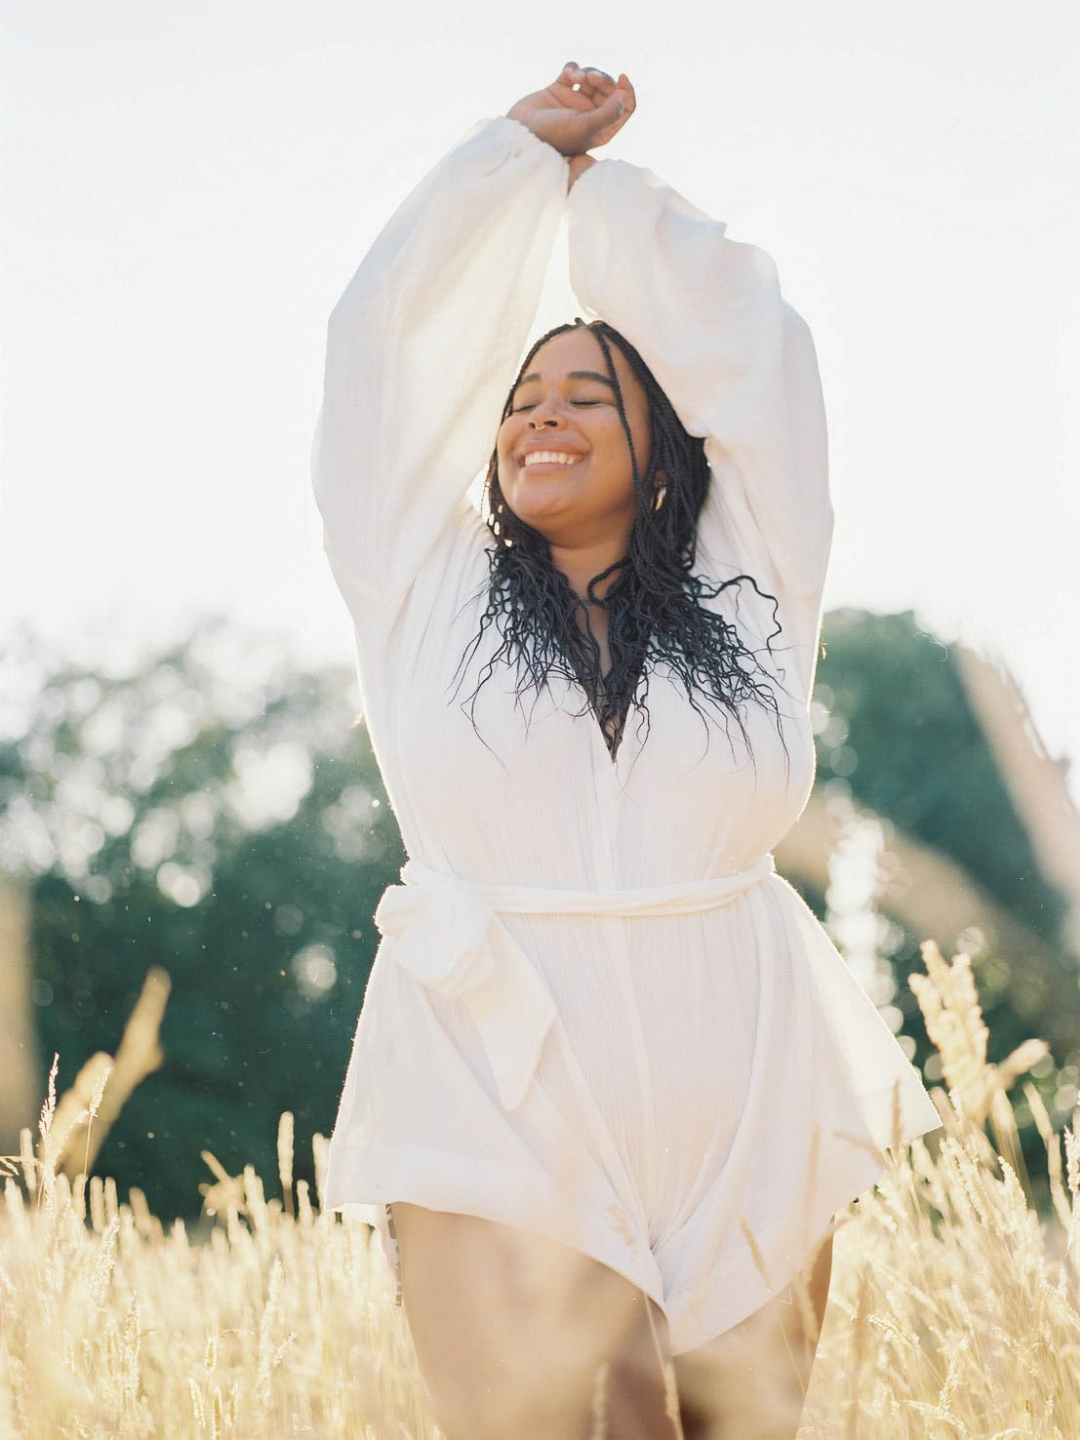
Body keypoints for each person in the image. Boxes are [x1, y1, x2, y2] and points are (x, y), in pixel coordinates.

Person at [311, 62, 941, 1440]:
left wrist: (610, 210)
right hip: (492, 1085)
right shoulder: (421, 582)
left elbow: (760, 352)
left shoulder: (753, 579)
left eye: (588, 393)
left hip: (746, 1086)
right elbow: (384, 355)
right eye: (523, 396)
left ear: (662, 451)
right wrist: (512, 170)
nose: (540, 413)